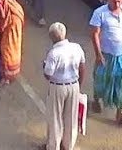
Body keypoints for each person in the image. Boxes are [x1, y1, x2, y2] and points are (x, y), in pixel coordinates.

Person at [90, 0, 122, 127]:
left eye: (119, 2)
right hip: (106, 55)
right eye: (114, 1)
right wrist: (98, 54)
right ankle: (97, 100)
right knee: (100, 80)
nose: (117, 5)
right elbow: (95, 34)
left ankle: (120, 114)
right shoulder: (100, 13)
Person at [42, 21, 85, 150]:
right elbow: (82, 67)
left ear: (51, 37)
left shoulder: (53, 53)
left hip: (58, 86)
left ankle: (53, 146)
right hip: (74, 85)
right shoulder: (77, 47)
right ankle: (68, 146)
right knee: (71, 117)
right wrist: (79, 86)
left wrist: (44, 66)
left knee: (55, 118)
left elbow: (48, 74)